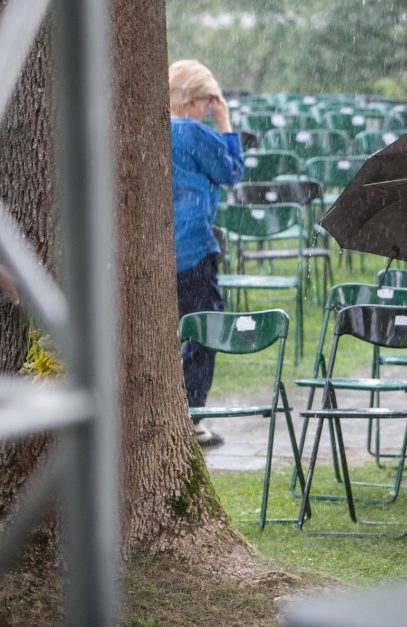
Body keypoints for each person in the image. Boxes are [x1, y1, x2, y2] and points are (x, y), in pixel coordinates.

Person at [169, 60, 244, 447]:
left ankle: (170, 410)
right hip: (194, 248)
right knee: (204, 329)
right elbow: (232, 172)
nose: (207, 109)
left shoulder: (153, 129)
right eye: (206, 101)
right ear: (193, 101)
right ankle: (190, 415)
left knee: (166, 332)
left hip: (160, 251)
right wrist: (225, 120)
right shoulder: (194, 133)